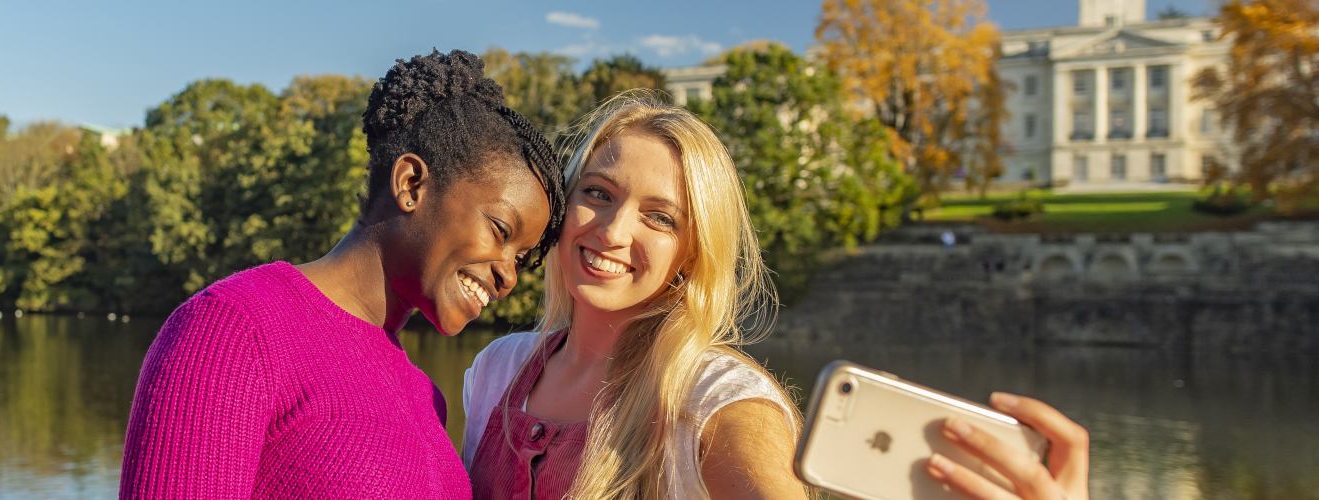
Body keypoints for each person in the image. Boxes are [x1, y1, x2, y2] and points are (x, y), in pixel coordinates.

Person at [462, 95, 1091, 500]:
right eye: (598, 192)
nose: (612, 229)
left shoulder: (715, 401)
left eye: (660, 218)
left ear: (691, 255)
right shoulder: (498, 368)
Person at [119, 49, 567, 498]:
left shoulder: (427, 399)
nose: (510, 275)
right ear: (411, 184)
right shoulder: (233, 330)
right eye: (501, 231)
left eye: (523, 259)